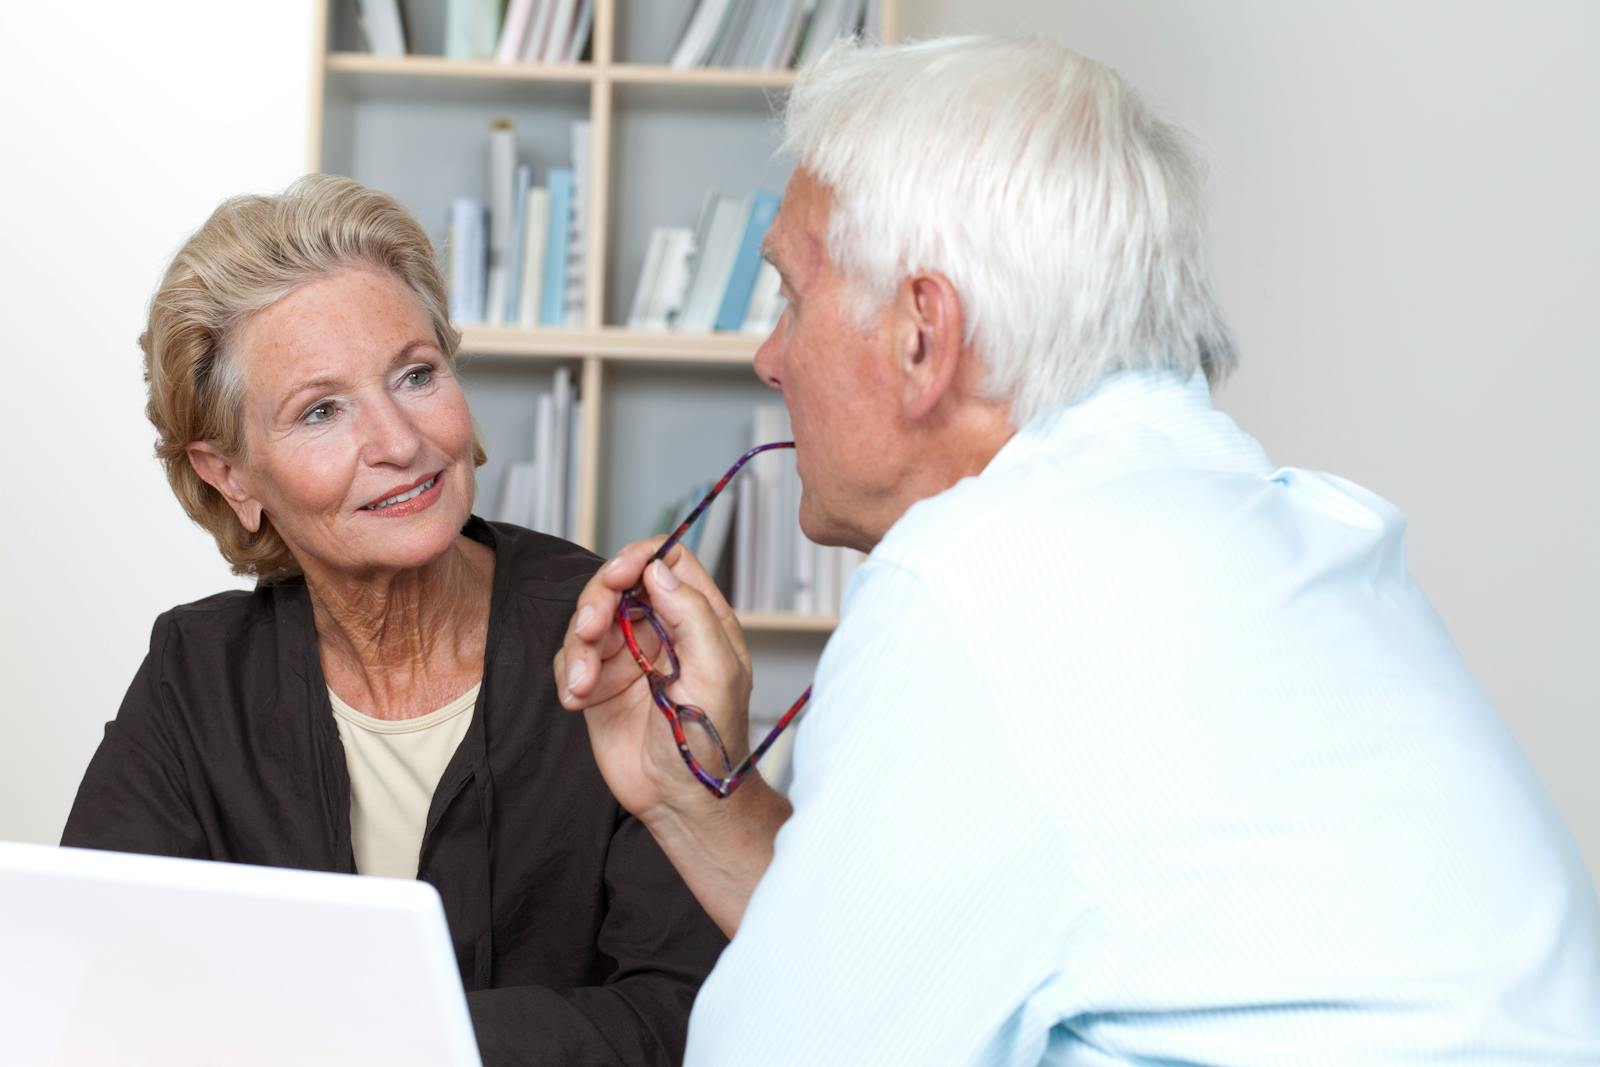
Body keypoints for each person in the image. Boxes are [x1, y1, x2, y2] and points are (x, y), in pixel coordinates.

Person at [557, 36, 1600, 1065]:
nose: (767, 356)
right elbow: (917, 958)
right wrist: (690, 790)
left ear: (923, 333)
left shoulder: (985, 582)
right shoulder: (1276, 524)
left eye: (789, 295)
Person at [62, 175, 725, 1066]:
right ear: (232, 477)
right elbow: (96, 985)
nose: (400, 441)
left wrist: (369, 1038)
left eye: (416, 375)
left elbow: (691, 1014)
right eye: (321, 410)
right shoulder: (195, 675)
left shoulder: (611, 644)